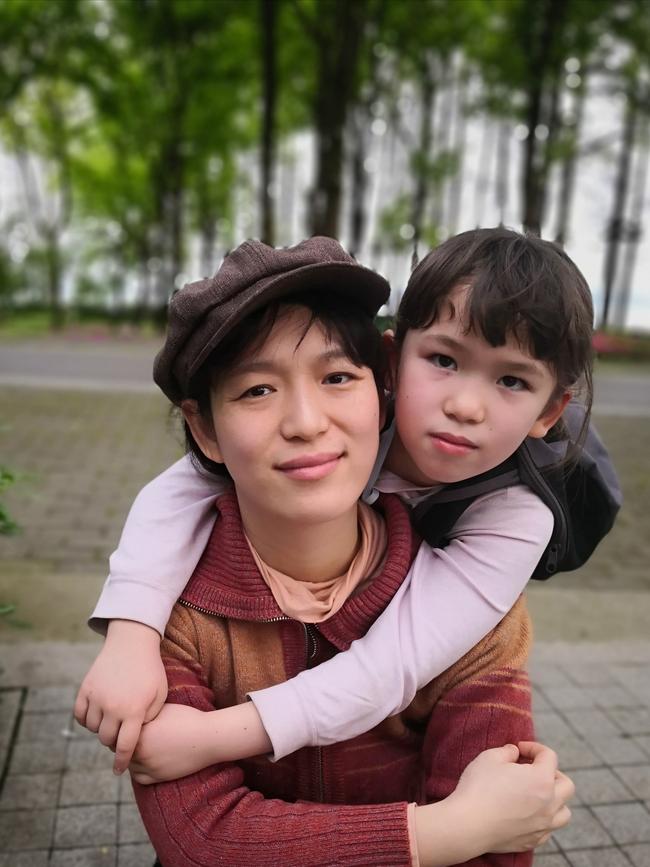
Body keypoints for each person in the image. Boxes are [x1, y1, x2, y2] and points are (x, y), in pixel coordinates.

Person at [100, 236, 573, 866]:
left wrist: (215, 735)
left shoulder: (507, 533)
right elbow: (178, 486)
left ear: (552, 409)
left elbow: (393, 669)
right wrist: (130, 633)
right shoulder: (186, 616)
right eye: (444, 361)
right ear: (393, 362)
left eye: (513, 380)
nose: (464, 406)